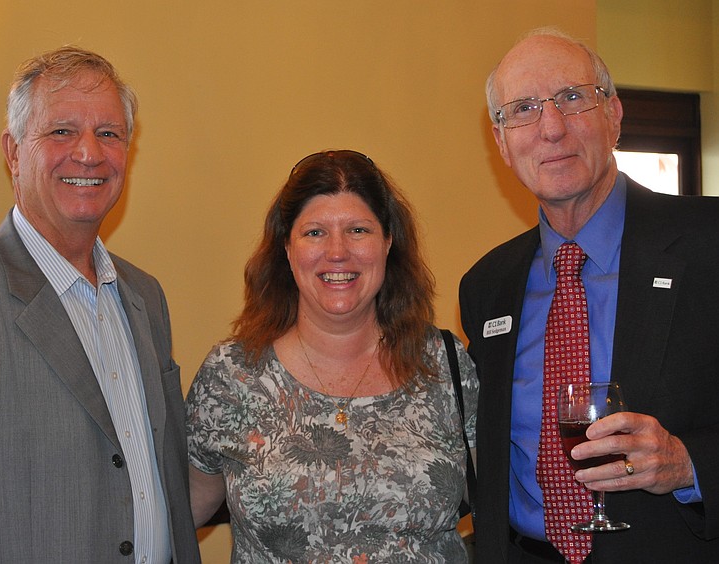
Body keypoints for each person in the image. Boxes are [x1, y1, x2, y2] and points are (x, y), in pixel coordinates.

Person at [0, 46, 200, 563]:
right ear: (14, 152)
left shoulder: (145, 298)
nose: (89, 153)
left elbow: (161, 490)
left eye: (109, 133)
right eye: (61, 131)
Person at [459, 27, 719, 563]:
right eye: (524, 109)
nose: (551, 128)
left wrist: (688, 463)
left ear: (615, 115)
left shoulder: (709, 245)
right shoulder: (486, 286)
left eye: (573, 98)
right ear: (502, 142)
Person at [185, 149, 478, 562]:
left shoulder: (446, 367)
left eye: (358, 230)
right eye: (315, 233)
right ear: (287, 249)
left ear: (388, 242)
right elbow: (175, 518)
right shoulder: (231, 376)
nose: (337, 252)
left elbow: (505, 506)